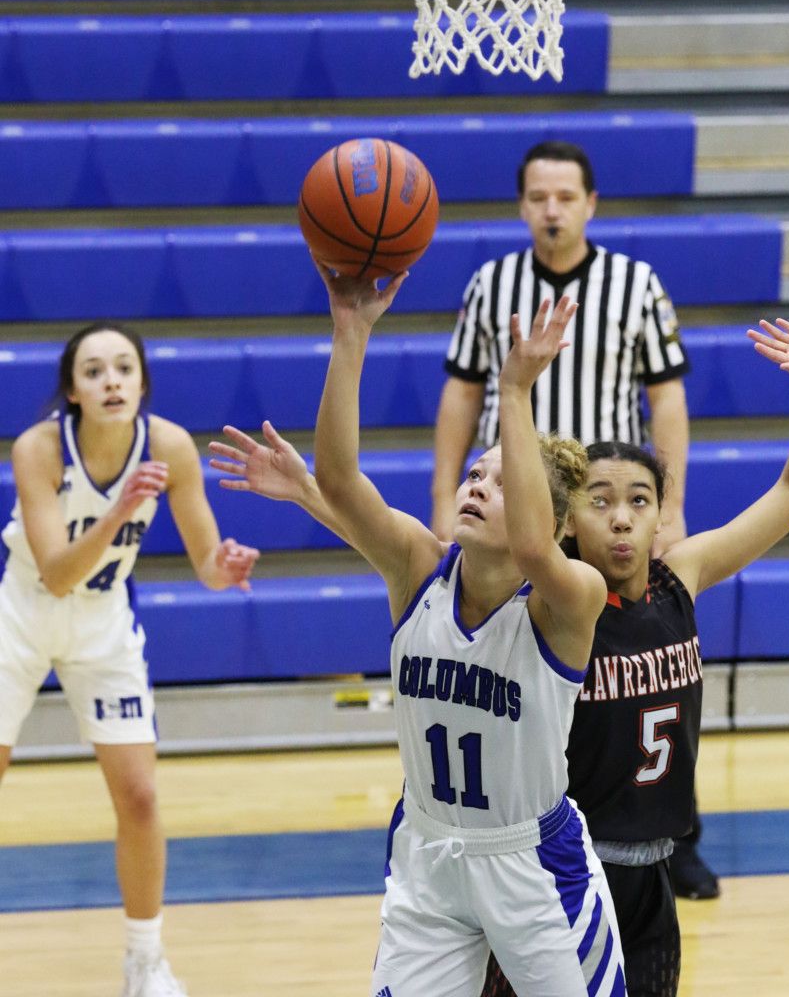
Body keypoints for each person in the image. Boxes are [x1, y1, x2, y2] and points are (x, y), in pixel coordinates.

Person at [214, 280, 628, 997]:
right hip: (428, 850)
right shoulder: (417, 567)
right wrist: (351, 334)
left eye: (497, 483)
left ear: (556, 520)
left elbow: (533, 549)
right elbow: (342, 481)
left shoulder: (569, 599)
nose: (474, 485)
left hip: (531, 865)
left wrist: (516, 392)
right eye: (473, 473)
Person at [481, 316, 789, 997]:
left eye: (639, 500)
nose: (621, 517)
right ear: (566, 520)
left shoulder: (681, 579)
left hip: (653, 873)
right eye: (600, 501)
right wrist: (516, 392)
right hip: (563, 875)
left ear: (660, 514)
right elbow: (531, 544)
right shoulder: (564, 598)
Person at [432, 140, 716, 899]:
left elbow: (668, 399)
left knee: (643, 668)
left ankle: (669, 834)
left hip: (603, 505)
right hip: (524, 511)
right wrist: (442, 500)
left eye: (565, 196)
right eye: (537, 196)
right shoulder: (491, 285)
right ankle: (518, 824)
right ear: (522, 205)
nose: (551, 209)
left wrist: (675, 503)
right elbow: (461, 395)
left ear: (591, 203)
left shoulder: (635, 284)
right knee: (530, 681)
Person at [0, 321, 260, 997]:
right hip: (23, 612)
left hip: (105, 621)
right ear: (73, 392)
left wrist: (223, 567)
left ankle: (144, 961)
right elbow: (56, 574)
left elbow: (205, 560)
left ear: (143, 382)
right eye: (94, 371)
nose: (111, 380)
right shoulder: (37, 448)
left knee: (141, 797)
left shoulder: (169, 445)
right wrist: (118, 514)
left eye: (123, 368)